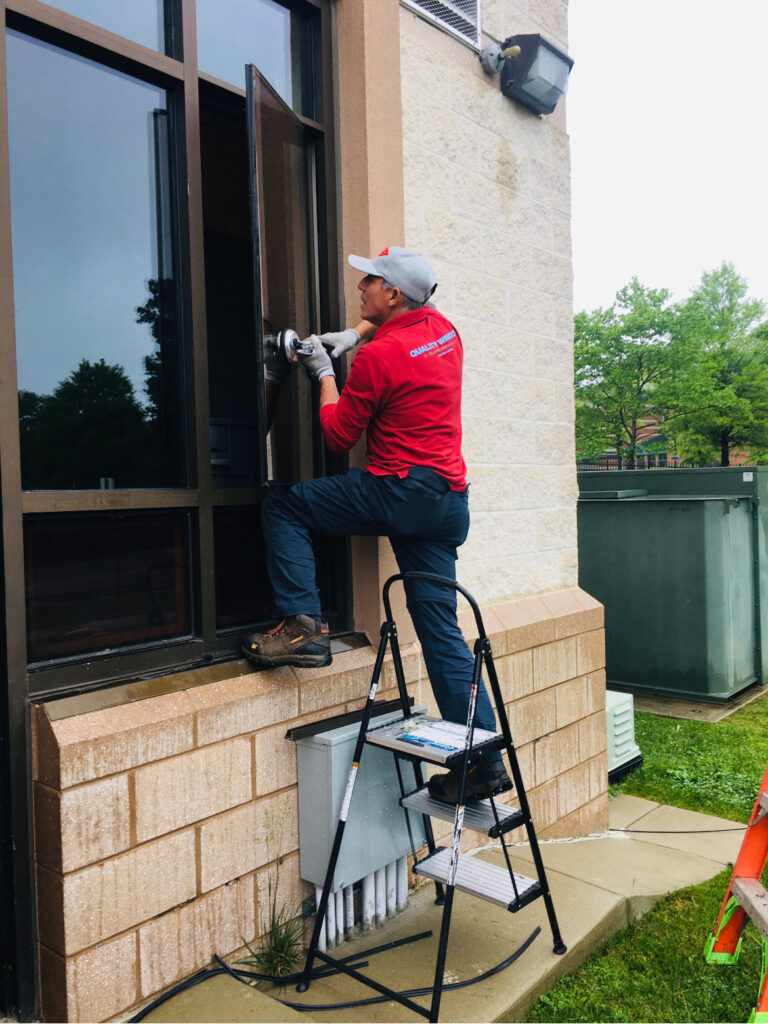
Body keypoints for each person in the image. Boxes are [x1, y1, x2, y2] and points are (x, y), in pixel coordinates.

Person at [243, 246, 509, 803]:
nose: (360, 285)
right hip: (446, 500)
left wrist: (323, 373)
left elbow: (339, 436)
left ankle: (303, 627)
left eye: (370, 280)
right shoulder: (446, 331)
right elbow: (395, 326)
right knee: (439, 628)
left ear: (392, 293)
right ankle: (483, 760)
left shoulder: (378, 360)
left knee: (284, 505)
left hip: (399, 489)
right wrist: (353, 333)